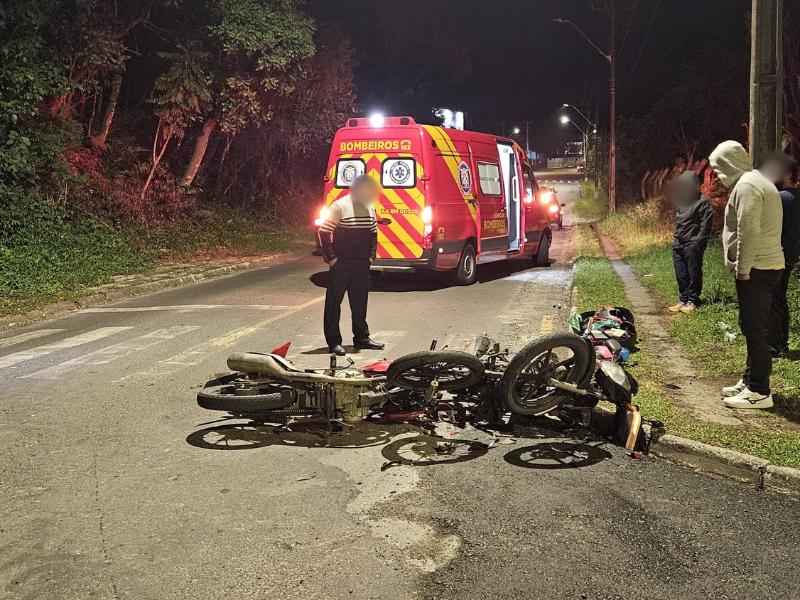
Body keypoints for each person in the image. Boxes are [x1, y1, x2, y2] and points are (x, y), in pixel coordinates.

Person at [709, 140, 784, 409]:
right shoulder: (755, 181)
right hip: (764, 265)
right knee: (752, 326)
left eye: (718, 167)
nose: (716, 174)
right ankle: (750, 379)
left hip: (757, 268)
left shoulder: (748, 187)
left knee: (755, 329)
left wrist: (743, 269)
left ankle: (759, 391)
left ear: (730, 163)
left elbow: (749, 231)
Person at [318, 175, 385, 356]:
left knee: (359, 304)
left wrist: (371, 257)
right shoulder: (339, 206)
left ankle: (361, 338)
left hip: (362, 265)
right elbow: (324, 232)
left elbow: (373, 234)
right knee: (334, 304)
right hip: (342, 264)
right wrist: (332, 259)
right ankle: (334, 342)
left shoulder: (370, 207)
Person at [759, 151, 800, 357]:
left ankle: (774, 345)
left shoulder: (781, 198)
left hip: (778, 256)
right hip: (791, 254)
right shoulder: (795, 196)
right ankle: (781, 342)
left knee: (773, 300)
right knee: (780, 300)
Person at [667, 171, 713, 313]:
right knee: (681, 273)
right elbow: (680, 221)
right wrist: (676, 239)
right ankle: (683, 299)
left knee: (693, 273)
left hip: (692, 244)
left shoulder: (703, 202)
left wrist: (697, 243)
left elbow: (706, 226)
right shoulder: (681, 201)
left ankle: (693, 301)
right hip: (679, 243)